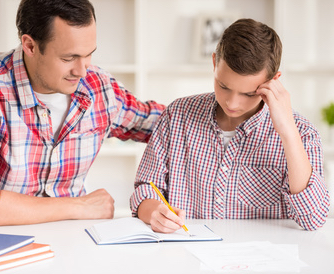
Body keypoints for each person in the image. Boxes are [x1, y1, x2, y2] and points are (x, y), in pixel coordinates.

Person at [0, 0, 165, 227]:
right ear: (29, 45)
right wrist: (79, 205)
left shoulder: (98, 87)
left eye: (88, 54)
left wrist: (212, 97)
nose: (82, 71)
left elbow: (164, 124)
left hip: (72, 242)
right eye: (68, 58)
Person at [131, 18, 330, 232]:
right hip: (185, 257)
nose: (232, 103)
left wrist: (288, 133)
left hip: (262, 262)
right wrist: (154, 212)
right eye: (223, 86)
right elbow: (145, 190)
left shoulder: (302, 132)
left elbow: (313, 220)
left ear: (274, 80)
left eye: (248, 93)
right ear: (215, 62)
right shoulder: (177, 116)